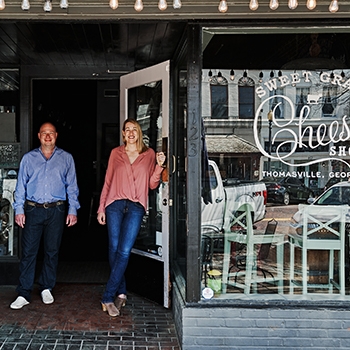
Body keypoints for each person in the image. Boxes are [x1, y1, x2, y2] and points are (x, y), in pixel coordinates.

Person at [97, 118, 165, 317]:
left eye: (134, 129)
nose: (131, 132)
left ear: (139, 132)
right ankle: (121, 292)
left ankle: (108, 296)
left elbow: (152, 185)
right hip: (114, 204)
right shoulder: (115, 153)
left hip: (136, 206)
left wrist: (159, 167)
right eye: (127, 129)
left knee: (125, 251)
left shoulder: (149, 153)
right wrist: (101, 208)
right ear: (123, 134)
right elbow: (108, 181)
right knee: (114, 248)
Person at [10, 122, 80, 310]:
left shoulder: (66, 158)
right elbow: (20, 187)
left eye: (51, 133)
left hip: (57, 210)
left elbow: (72, 187)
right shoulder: (28, 158)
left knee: (52, 251)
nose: (47, 137)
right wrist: (19, 210)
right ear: (39, 136)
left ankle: (46, 287)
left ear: (56, 135)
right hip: (33, 209)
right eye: (44, 133)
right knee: (29, 252)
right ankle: (24, 292)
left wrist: (73, 210)